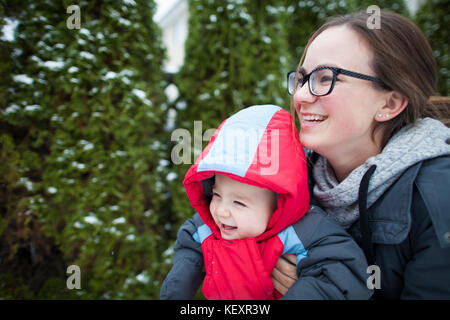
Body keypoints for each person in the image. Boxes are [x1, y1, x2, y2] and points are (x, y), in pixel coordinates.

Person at [272, 10, 450, 299]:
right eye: (303, 78)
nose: (302, 96)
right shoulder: (287, 180)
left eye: (326, 78)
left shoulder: (438, 196)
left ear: (390, 103)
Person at [160, 104, 372, 300]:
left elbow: (344, 272)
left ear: (278, 205)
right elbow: (190, 242)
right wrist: (179, 286)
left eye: (239, 203)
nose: (222, 210)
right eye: (216, 195)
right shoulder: (209, 225)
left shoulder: (305, 231)